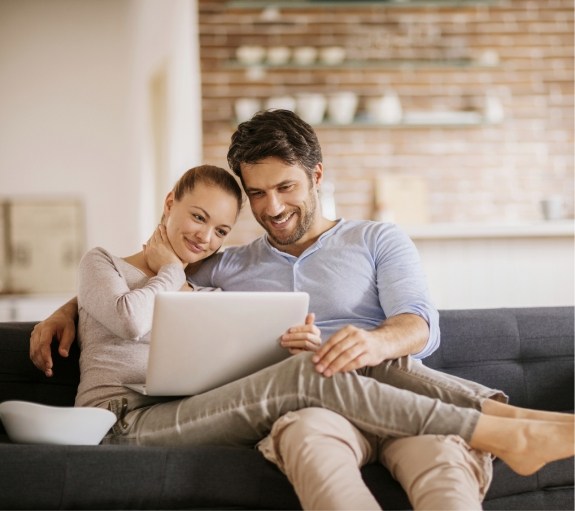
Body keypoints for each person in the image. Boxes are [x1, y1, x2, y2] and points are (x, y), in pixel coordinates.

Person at [30, 113, 574, 511]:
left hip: (394, 384)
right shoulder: (227, 264)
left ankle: (515, 428)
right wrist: (71, 309)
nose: (271, 207)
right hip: (311, 406)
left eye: (284, 187)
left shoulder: (376, 238)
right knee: (311, 415)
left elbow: (419, 324)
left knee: (438, 466)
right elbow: (144, 280)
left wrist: (373, 341)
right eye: (257, 193)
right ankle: (510, 424)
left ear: (316, 175)